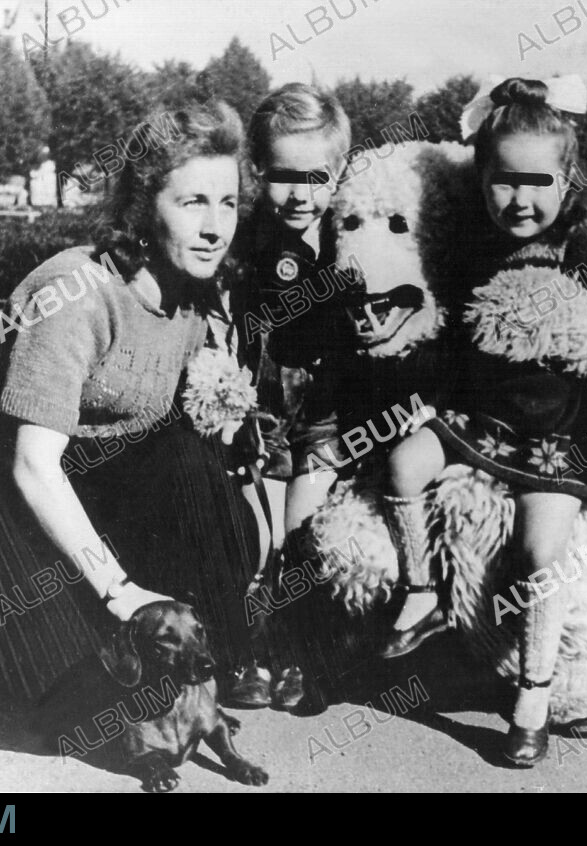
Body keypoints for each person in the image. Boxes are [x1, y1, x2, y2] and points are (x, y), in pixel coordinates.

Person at [0, 103, 266, 718]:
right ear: (142, 208)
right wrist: (119, 590)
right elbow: (32, 464)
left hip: (104, 485)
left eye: (228, 203)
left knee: (188, 451)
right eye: (193, 202)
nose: (216, 226)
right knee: (71, 705)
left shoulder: (195, 297)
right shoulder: (73, 292)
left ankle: (232, 646)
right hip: (10, 494)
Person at [379, 77, 587, 766]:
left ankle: (533, 691)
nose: (520, 200)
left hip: (555, 429)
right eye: (504, 182)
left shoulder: (580, 245)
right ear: (483, 178)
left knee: (541, 550)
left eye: (538, 183)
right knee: (404, 462)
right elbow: (449, 326)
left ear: (566, 183)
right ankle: (421, 594)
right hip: (479, 416)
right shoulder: (474, 243)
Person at [225, 83, 352, 709]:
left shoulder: (350, 239)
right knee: (257, 540)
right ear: (257, 172)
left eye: (317, 176)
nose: (300, 194)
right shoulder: (242, 243)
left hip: (324, 413)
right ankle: (249, 651)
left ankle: (297, 652)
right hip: (256, 408)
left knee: (302, 538)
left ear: (340, 173)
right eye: (282, 176)